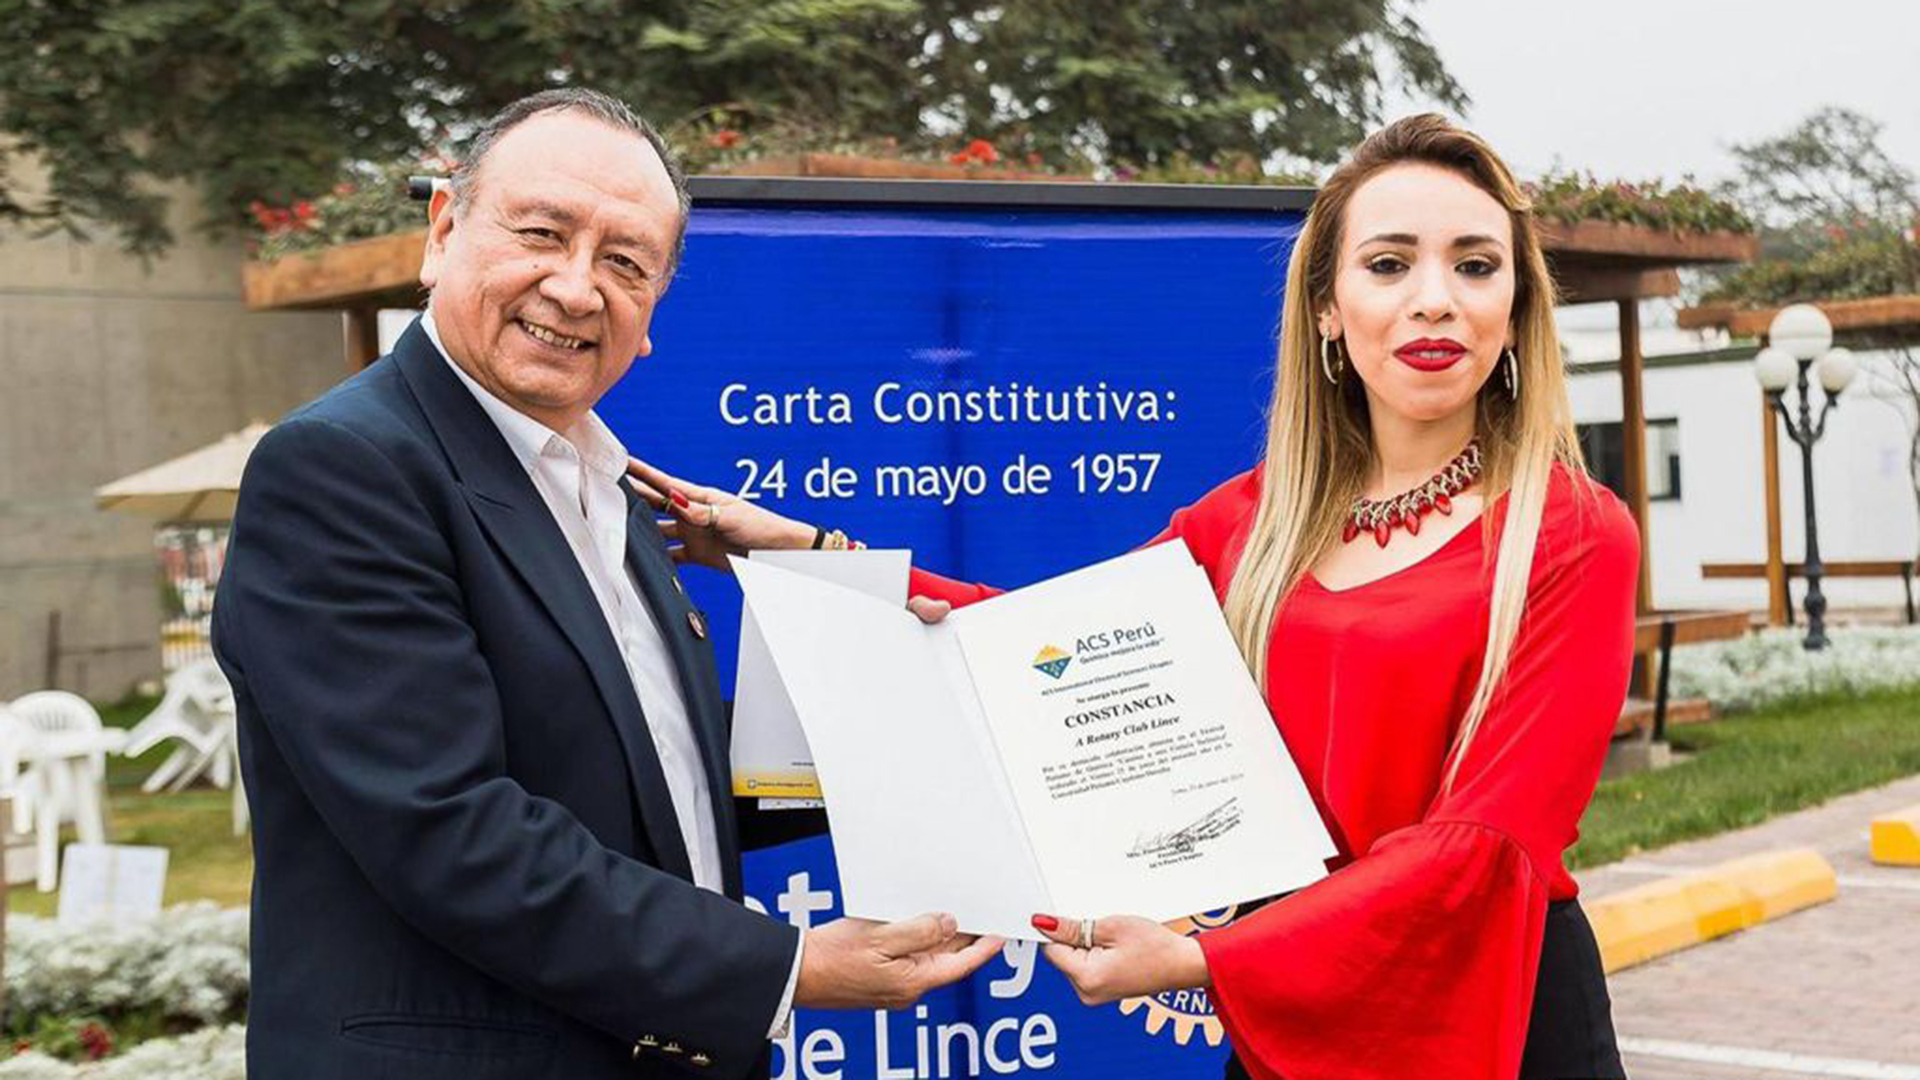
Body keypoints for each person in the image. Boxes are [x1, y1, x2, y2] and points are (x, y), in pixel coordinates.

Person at [629, 113, 1637, 1079]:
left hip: (1488, 1010)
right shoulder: (1246, 524)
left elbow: (1483, 845)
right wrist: (804, 550)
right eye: (1388, 264)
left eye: (1475, 265)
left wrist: (1207, 958)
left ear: (1516, 311)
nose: (1435, 299)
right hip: (1292, 1012)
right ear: (1328, 308)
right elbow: (1039, 651)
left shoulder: (1572, 534)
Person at [213, 88, 998, 1080]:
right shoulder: (345, 467)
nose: (577, 289)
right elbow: (449, 830)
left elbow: (659, 771)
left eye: (626, 263)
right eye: (542, 234)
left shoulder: (609, 486)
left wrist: (909, 722)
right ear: (443, 232)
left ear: (653, 315)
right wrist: (787, 966)